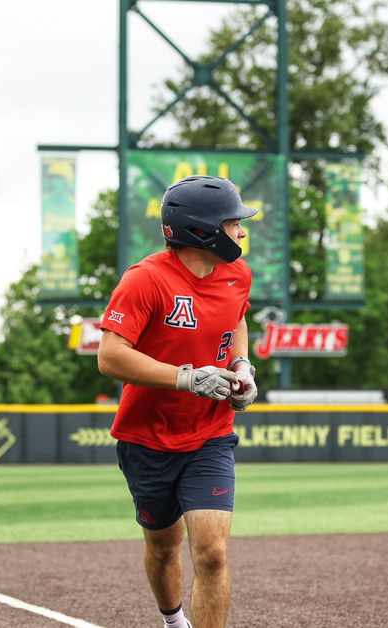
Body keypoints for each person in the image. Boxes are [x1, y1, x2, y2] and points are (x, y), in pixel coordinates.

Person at [97, 175, 259, 628]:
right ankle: (172, 621)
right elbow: (110, 357)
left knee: (213, 553)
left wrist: (243, 365)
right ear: (202, 230)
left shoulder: (238, 274)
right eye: (233, 223)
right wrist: (186, 378)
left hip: (210, 433)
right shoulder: (145, 280)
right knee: (164, 547)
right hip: (147, 439)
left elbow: (237, 319)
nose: (242, 232)